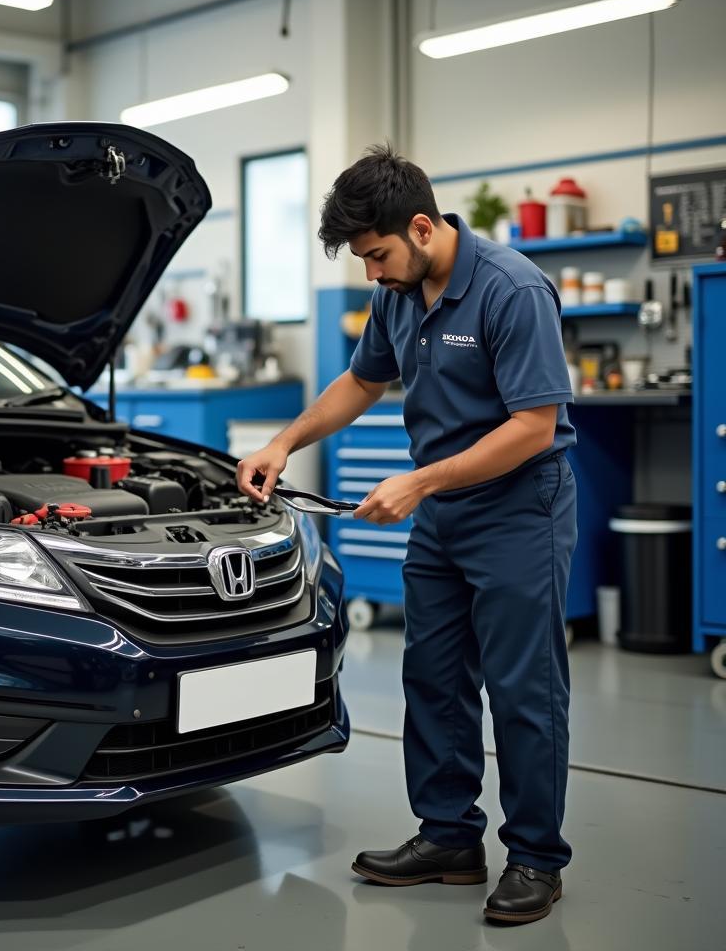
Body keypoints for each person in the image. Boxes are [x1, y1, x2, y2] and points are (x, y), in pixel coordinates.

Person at [236, 145, 577, 926]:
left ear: (422, 228)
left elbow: (533, 427)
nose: (371, 274)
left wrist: (420, 481)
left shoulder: (512, 290)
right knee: (431, 677)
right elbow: (362, 380)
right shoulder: (398, 293)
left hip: (522, 505)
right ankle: (450, 837)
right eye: (361, 260)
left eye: (378, 255)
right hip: (447, 513)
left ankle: (536, 858)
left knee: (525, 687)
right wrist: (285, 443)